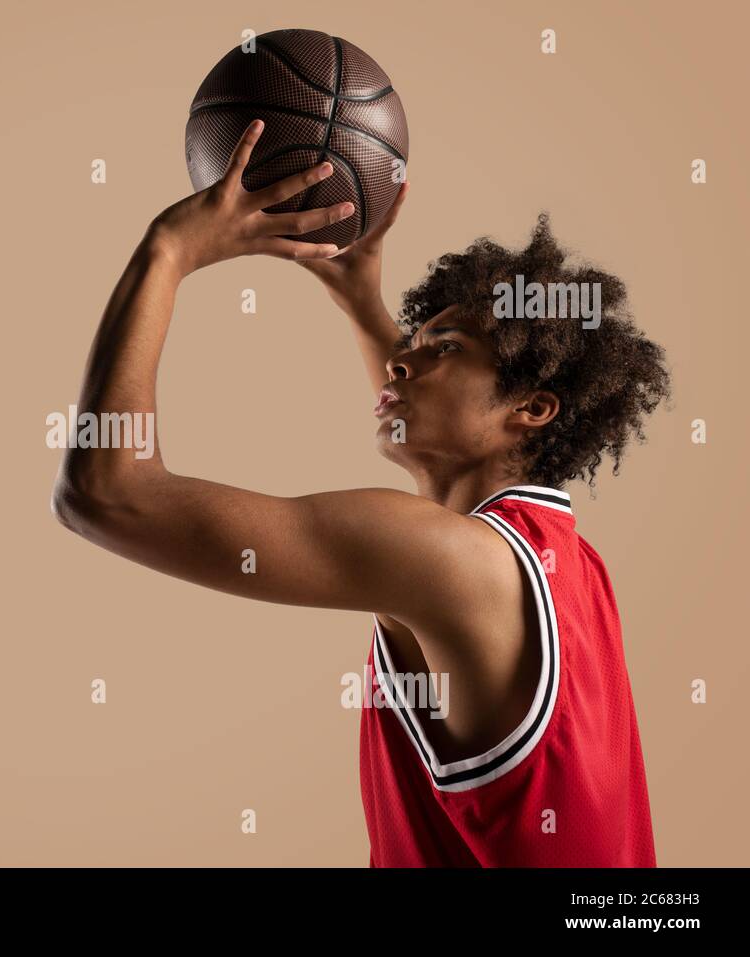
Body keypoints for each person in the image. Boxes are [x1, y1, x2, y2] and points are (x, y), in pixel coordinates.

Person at [51, 118, 669, 866]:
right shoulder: (568, 566)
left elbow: (106, 492)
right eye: (411, 345)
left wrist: (168, 251)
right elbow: (441, 445)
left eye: (444, 350)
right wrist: (361, 302)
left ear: (531, 409)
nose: (402, 364)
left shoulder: (450, 562)